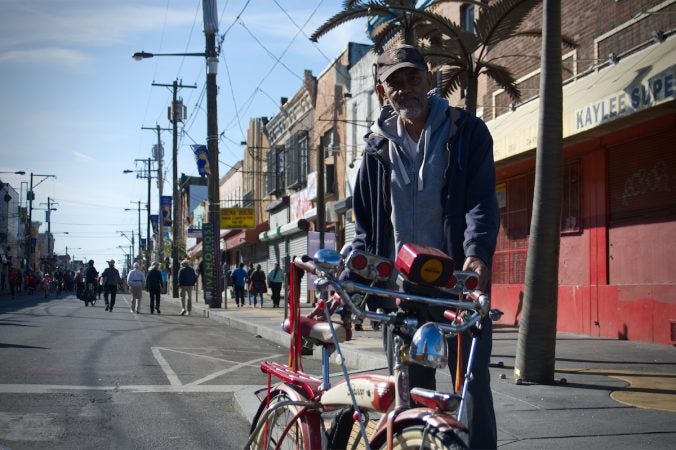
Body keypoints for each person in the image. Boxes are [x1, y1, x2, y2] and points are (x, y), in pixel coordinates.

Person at [348, 44, 500, 449]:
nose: (404, 88)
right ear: (383, 92)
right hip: (403, 294)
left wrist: (477, 252)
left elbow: (481, 202)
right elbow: (366, 227)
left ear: (429, 80)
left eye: (412, 77)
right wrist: (351, 279)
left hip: (458, 286)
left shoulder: (466, 132)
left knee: (471, 388)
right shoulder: (375, 150)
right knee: (411, 395)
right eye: (393, 82)